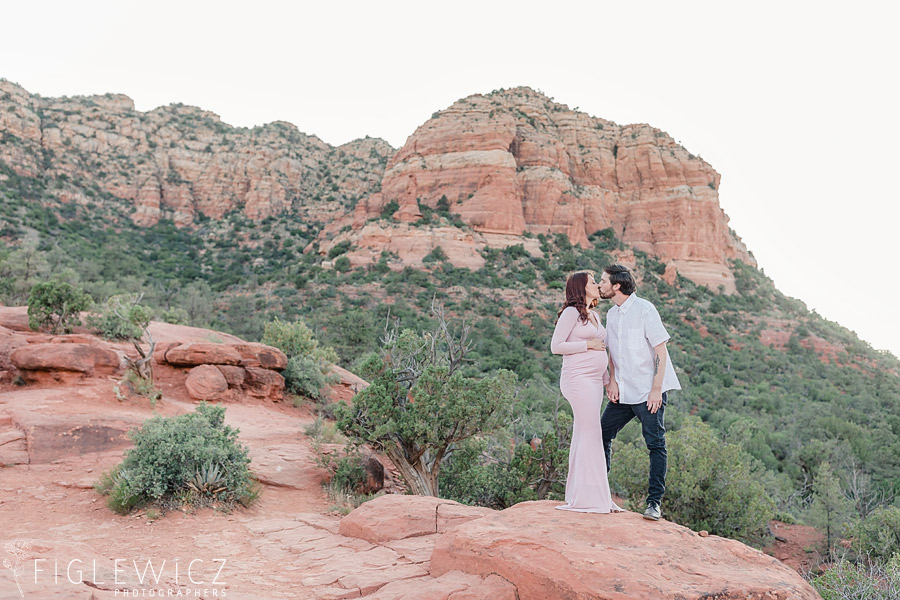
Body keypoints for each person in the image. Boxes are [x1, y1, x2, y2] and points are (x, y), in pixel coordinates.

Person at [598, 264, 680, 521]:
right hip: (623, 392)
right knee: (601, 434)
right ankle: (600, 493)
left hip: (648, 392)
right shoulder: (611, 315)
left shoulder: (645, 309)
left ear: (617, 286)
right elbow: (612, 352)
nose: (600, 285)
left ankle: (654, 503)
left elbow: (660, 350)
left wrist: (656, 390)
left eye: (602, 281)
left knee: (655, 444)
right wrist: (612, 381)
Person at [550, 271, 621, 514]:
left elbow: (603, 352)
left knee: (587, 434)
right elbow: (556, 346)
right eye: (592, 281)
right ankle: (589, 498)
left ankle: (592, 495)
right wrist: (586, 345)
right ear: (581, 287)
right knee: (591, 433)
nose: (596, 284)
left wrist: (608, 381)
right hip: (577, 380)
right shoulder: (571, 313)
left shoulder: (593, 315)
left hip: (593, 382)